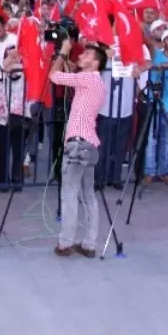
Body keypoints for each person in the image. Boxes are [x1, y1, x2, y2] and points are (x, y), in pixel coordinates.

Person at [48, 41, 108, 259]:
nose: (82, 55)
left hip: (77, 144)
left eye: (87, 54)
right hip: (90, 144)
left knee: (70, 194)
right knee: (88, 196)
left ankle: (65, 243)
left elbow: (53, 76)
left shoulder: (87, 78)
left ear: (96, 62)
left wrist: (63, 52)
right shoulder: (98, 82)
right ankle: (89, 244)